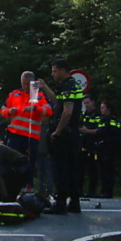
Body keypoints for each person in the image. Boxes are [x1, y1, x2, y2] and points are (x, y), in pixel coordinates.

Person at [38, 59, 84, 214]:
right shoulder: (70, 85)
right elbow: (57, 101)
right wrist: (45, 87)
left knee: (61, 169)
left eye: (55, 71)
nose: (53, 74)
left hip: (65, 135)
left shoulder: (68, 86)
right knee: (72, 168)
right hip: (73, 133)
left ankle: (61, 202)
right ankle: (74, 202)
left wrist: (57, 131)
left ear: (63, 70)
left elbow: (67, 111)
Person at [0, 71, 53, 193]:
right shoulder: (14, 94)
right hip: (14, 134)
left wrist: (35, 108)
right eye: (23, 84)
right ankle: (11, 187)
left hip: (31, 136)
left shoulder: (38, 95)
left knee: (29, 163)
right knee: (12, 161)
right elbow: (2, 110)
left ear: (33, 83)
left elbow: (49, 111)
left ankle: (28, 187)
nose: (25, 87)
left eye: (28, 84)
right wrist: (9, 111)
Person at [96, 100, 121, 199]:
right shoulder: (102, 120)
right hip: (102, 148)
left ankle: (108, 191)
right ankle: (103, 191)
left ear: (108, 109)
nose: (101, 110)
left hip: (109, 148)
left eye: (103, 108)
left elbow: (113, 134)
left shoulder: (112, 120)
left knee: (108, 170)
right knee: (102, 170)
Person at [78, 95, 101, 197]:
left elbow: (100, 130)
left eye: (88, 103)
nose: (86, 105)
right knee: (80, 169)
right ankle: (79, 191)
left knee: (92, 169)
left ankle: (92, 191)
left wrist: (87, 131)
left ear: (93, 102)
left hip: (93, 145)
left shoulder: (97, 114)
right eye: (85, 103)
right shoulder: (84, 114)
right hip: (83, 144)